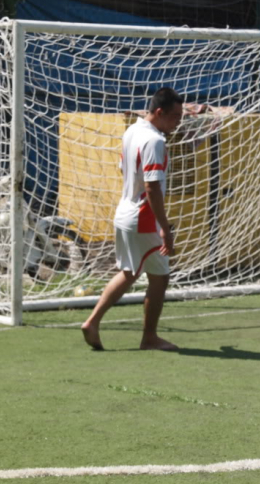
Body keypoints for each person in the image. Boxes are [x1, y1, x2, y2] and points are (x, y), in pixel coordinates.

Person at [81, 88, 185, 351]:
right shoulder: (154, 141)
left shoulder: (132, 131)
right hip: (143, 218)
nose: (178, 123)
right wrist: (164, 227)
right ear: (159, 112)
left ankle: (93, 322)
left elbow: (123, 169)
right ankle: (149, 337)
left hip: (126, 212)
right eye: (174, 117)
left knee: (129, 273)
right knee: (159, 277)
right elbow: (152, 188)